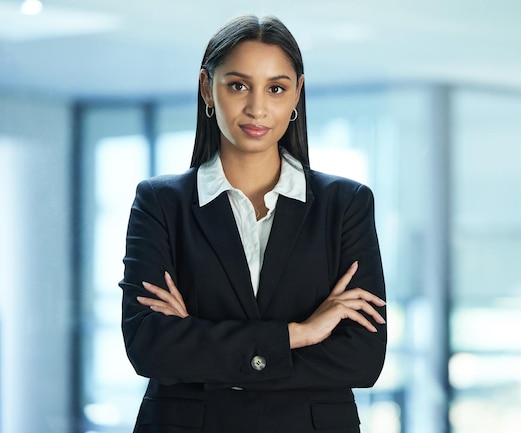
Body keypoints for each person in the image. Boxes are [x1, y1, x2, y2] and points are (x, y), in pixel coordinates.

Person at [120, 14, 387, 433]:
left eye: (276, 88)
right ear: (207, 88)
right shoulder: (160, 203)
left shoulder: (346, 205)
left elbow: (362, 358)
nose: (257, 108)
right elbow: (150, 347)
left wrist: (201, 343)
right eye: (238, 85)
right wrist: (301, 333)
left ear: (297, 93)